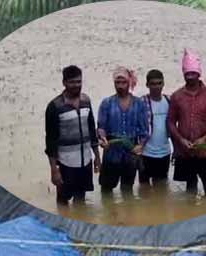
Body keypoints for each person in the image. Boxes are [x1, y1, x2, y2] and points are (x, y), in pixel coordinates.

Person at [167, 49, 206, 196]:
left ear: (199, 74)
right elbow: (171, 122)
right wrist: (181, 140)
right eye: (188, 74)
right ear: (184, 74)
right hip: (185, 152)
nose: (191, 77)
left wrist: (204, 139)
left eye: (193, 74)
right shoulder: (176, 97)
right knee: (190, 189)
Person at [44, 65, 101, 205]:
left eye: (79, 81)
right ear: (64, 82)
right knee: (63, 201)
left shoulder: (86, 101)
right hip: (65, 164)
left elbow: (92, 130)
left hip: (85, 161)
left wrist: (97, 157)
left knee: (80, 201)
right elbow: (51, 141)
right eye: (72, 82)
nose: (76, 85)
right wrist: (54, 170)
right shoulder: (55, 106)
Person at [97, 66, 149, 194]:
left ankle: (128, 214)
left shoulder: (139, 103)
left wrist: (140, 146)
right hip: (111, 153)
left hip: (130, 155)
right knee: (106, 189)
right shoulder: (107, 103)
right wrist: (102, 139)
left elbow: (144, 130)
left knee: (127, 190)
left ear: (129, 82)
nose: (120, 86)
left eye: (123, 82)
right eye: (117, 82)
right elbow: (101, 127)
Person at [139, 69, 172, 185]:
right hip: (145, 153)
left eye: (159, 83)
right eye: (153, 84)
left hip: (165, 152)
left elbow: (175, 126)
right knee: (144, 190)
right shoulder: (141, 102)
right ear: (147, 85)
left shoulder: (169, 101)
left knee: (161, 189)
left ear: (163, 84)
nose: (156, 87)